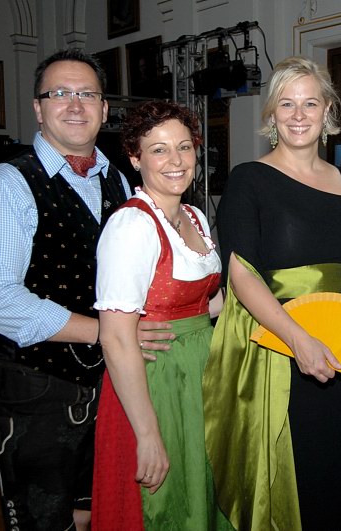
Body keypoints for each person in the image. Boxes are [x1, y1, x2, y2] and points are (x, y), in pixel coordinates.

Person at [0, 48, 172, 530]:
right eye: (60, 93)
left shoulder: (119, 181)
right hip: (30, 386)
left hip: (105, 383)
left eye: (87, 94)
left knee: (92, 510)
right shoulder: (8, 184)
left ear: (104, 108)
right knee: (42, 520)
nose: (75, 105)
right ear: (38, 109)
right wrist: (107, 333)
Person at [202, 56, 341, 530]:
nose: (299, 114)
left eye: (310, 103)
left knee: (338, 477)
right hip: (281, 353)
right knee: (297, 482)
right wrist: (299, 340)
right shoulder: (248, 179)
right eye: (287, 104)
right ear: (272, 114)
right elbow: (242, 276)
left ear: (327, 110)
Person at [90, 101, 230, 530]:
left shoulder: (194, 216)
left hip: (200, 374)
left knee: (203, 494)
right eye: (159, 150)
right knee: (166, 505)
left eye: (184, 147)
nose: (176, 160)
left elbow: (207, 304)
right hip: (156, 382)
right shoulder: (131, 226)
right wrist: (147, 433)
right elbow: (116, 338)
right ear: (135, 158)